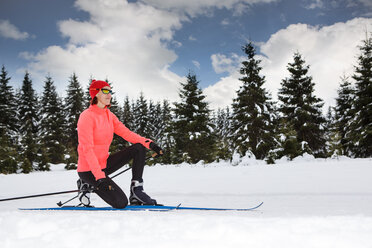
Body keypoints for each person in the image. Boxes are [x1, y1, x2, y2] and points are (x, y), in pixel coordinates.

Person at [76, 79, 163, 208]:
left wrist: (149, 144)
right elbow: (87, 150)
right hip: (89, 170)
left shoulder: (109, 116)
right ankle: (86, 184)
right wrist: (100, 178)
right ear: (95, 94)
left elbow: (127, 134)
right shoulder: (86, 117)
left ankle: (136, 190)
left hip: (104, 164)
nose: (109, 94)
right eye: (105, 91)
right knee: (120, 203)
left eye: (110, 91)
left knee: (138, 148)